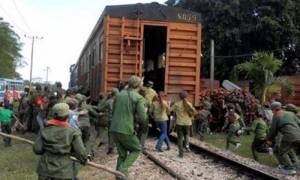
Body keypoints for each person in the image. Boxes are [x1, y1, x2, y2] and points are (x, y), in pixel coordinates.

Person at [33, 103, 88, 180]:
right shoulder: (73, 132)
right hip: (63, 171)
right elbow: (81, 152)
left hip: (45, 170)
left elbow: (37, 149)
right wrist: (84, 160)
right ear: (68, 116)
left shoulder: (45, 130)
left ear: (54, 116)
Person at [110, 75, 147, 180]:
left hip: (114, 128)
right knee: (136, 149)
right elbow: (142, 117)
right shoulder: (138, 97)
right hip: (126, 129)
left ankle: (119, 178)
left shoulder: (119, 95)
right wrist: (144, 112)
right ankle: (123, 170)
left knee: (122, 155)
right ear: (139, 85)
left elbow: (114, 111)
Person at [267, 102, 300, 175]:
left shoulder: (276, 117)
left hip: (288, 136)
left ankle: (289, 168)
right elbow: (299, 123)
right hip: (298, 135)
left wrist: (269, 139)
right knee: (289, 149)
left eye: (272, 110)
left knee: (282, 151)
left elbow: (273, 130)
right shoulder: (291, 114)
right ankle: (297, 164)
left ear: (274, 109)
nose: (272, 112)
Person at [170, 91, 197, 158]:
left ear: (180, 97)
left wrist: (168, 104)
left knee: (180, 138)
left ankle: (181, 153)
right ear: (186, 96)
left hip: (179, 123)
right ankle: (187, 146)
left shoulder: (177, 104)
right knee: (187, 135)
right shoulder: (189, 104)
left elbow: (169, 110)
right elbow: (195, 112)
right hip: (188, 123)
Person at [96, 88, 119, 155]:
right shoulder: (119, 101)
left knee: (110, 134)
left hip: (111, 119)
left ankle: (111, 149)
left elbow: (100, 108)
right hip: (118, 119)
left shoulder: (108, 101)